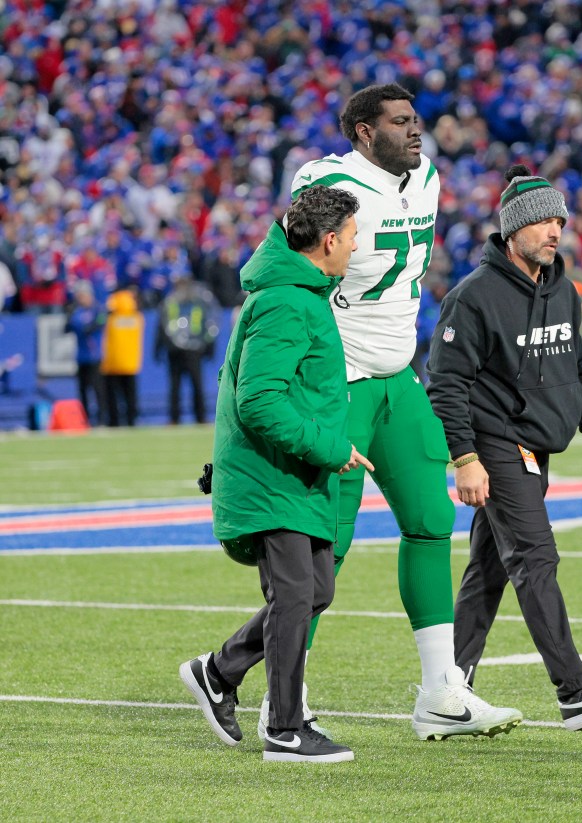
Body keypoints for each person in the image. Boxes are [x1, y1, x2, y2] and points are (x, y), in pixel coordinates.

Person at [276, 83, 521, 741]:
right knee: (326, 545)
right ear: (363, 131)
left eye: (416, 120)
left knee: (430, 518)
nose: (416, 132)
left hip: (397, 376)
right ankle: (284, 697)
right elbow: (285, 260)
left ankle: (442, 690)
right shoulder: (326, 180)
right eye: (400, 122)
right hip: (340, 381)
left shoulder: (428, 177)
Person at [427, 164, 582, 731]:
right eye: (544, 220)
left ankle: (447, 694)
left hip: (536, 448)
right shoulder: (473, 296)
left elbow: (575, 372)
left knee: (489, 571)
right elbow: (446, 384)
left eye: (559, 221)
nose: (555, 230)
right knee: (535, 558)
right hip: (496, 443)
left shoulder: (563, 292)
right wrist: (466, 458)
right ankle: (575, 691)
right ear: (513, 228)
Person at [179, 185, 372, 763]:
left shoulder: (300, 294)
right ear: (330, 240)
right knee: (294, 594)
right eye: (354, 235)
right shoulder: (287, 301)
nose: (357, 245)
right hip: (274, 474)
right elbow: (260, 400)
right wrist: (328, 447)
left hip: (292, 472)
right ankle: (285, 727)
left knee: (316, 589)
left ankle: (219, 671)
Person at [156, 275, 221, 424]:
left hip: (192, 349)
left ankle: (198, 417)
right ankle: (177, 418)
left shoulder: (196, 302)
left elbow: (208, 324)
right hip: (179, 350)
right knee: (178, 386)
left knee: (193, 385)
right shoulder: (174, 302)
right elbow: (163, 325)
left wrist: (209, 347)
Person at [65, 280, 107, 425]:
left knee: (98, 389)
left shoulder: (98, 309)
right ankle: (85, 419)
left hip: (94, 355)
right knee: (83, 390)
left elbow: (98, 324)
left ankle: (102, 419)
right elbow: (67, 328)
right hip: (81, 356)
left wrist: (84, 327)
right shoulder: (77, 311)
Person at [100, 288, 143, 427]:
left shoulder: (110, 319)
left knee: (112, 398)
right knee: (130, 397)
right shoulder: (137, 318)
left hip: (112, 364)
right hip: (130, 363)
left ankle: (114, 422)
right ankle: (132, 421)